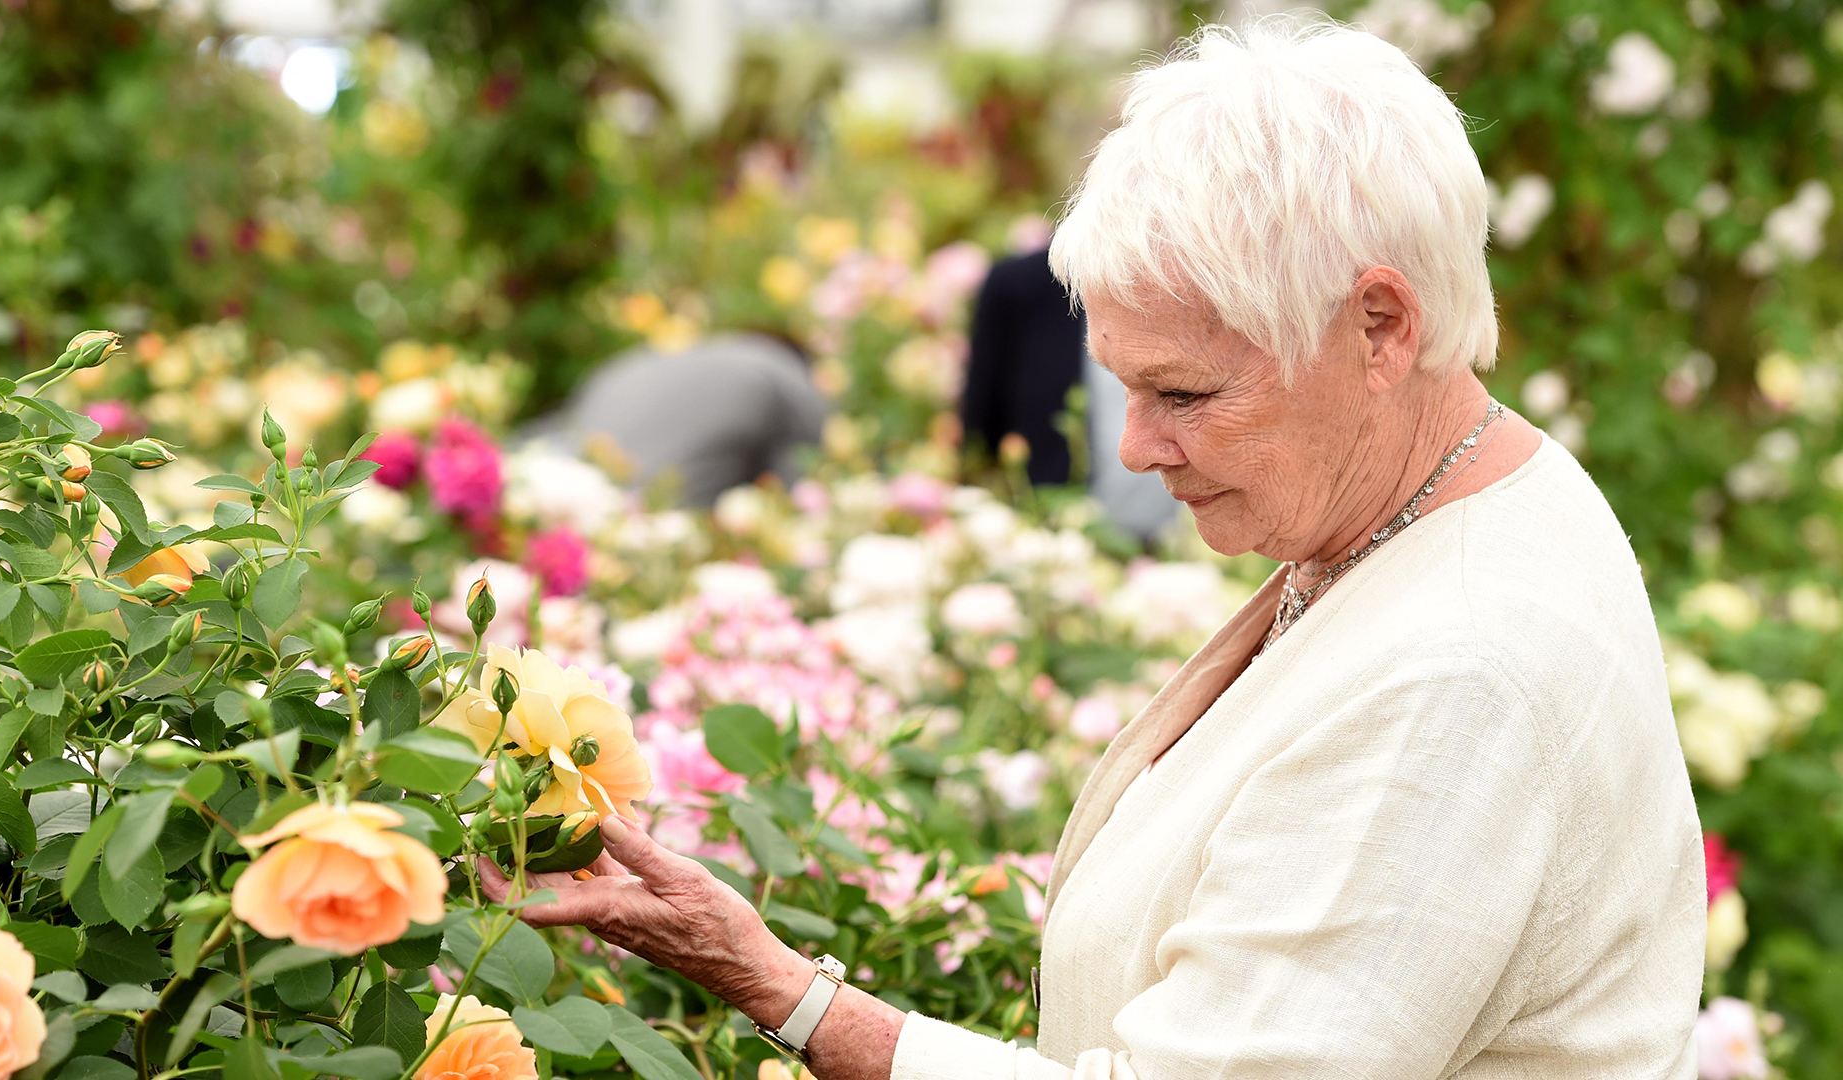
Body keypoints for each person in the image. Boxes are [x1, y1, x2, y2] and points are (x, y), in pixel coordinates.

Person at [481, 17, 1705, 1079]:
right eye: (1126, 388)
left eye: (1186, 394)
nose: (1134, 450)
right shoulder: (1440, 499)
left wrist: (788, 993)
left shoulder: (1464, 667)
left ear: (1380, 323)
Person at [963, 250, 1177, 540]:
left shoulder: (1209, 274)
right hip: (1050, 538)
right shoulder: (1019, 285)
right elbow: (979, 434)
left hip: (1191, 541)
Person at [517, 331, 828, 506]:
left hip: (552, 506)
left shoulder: (638, 361)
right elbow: (807, 479)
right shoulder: (781, 369)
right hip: (656, 528)